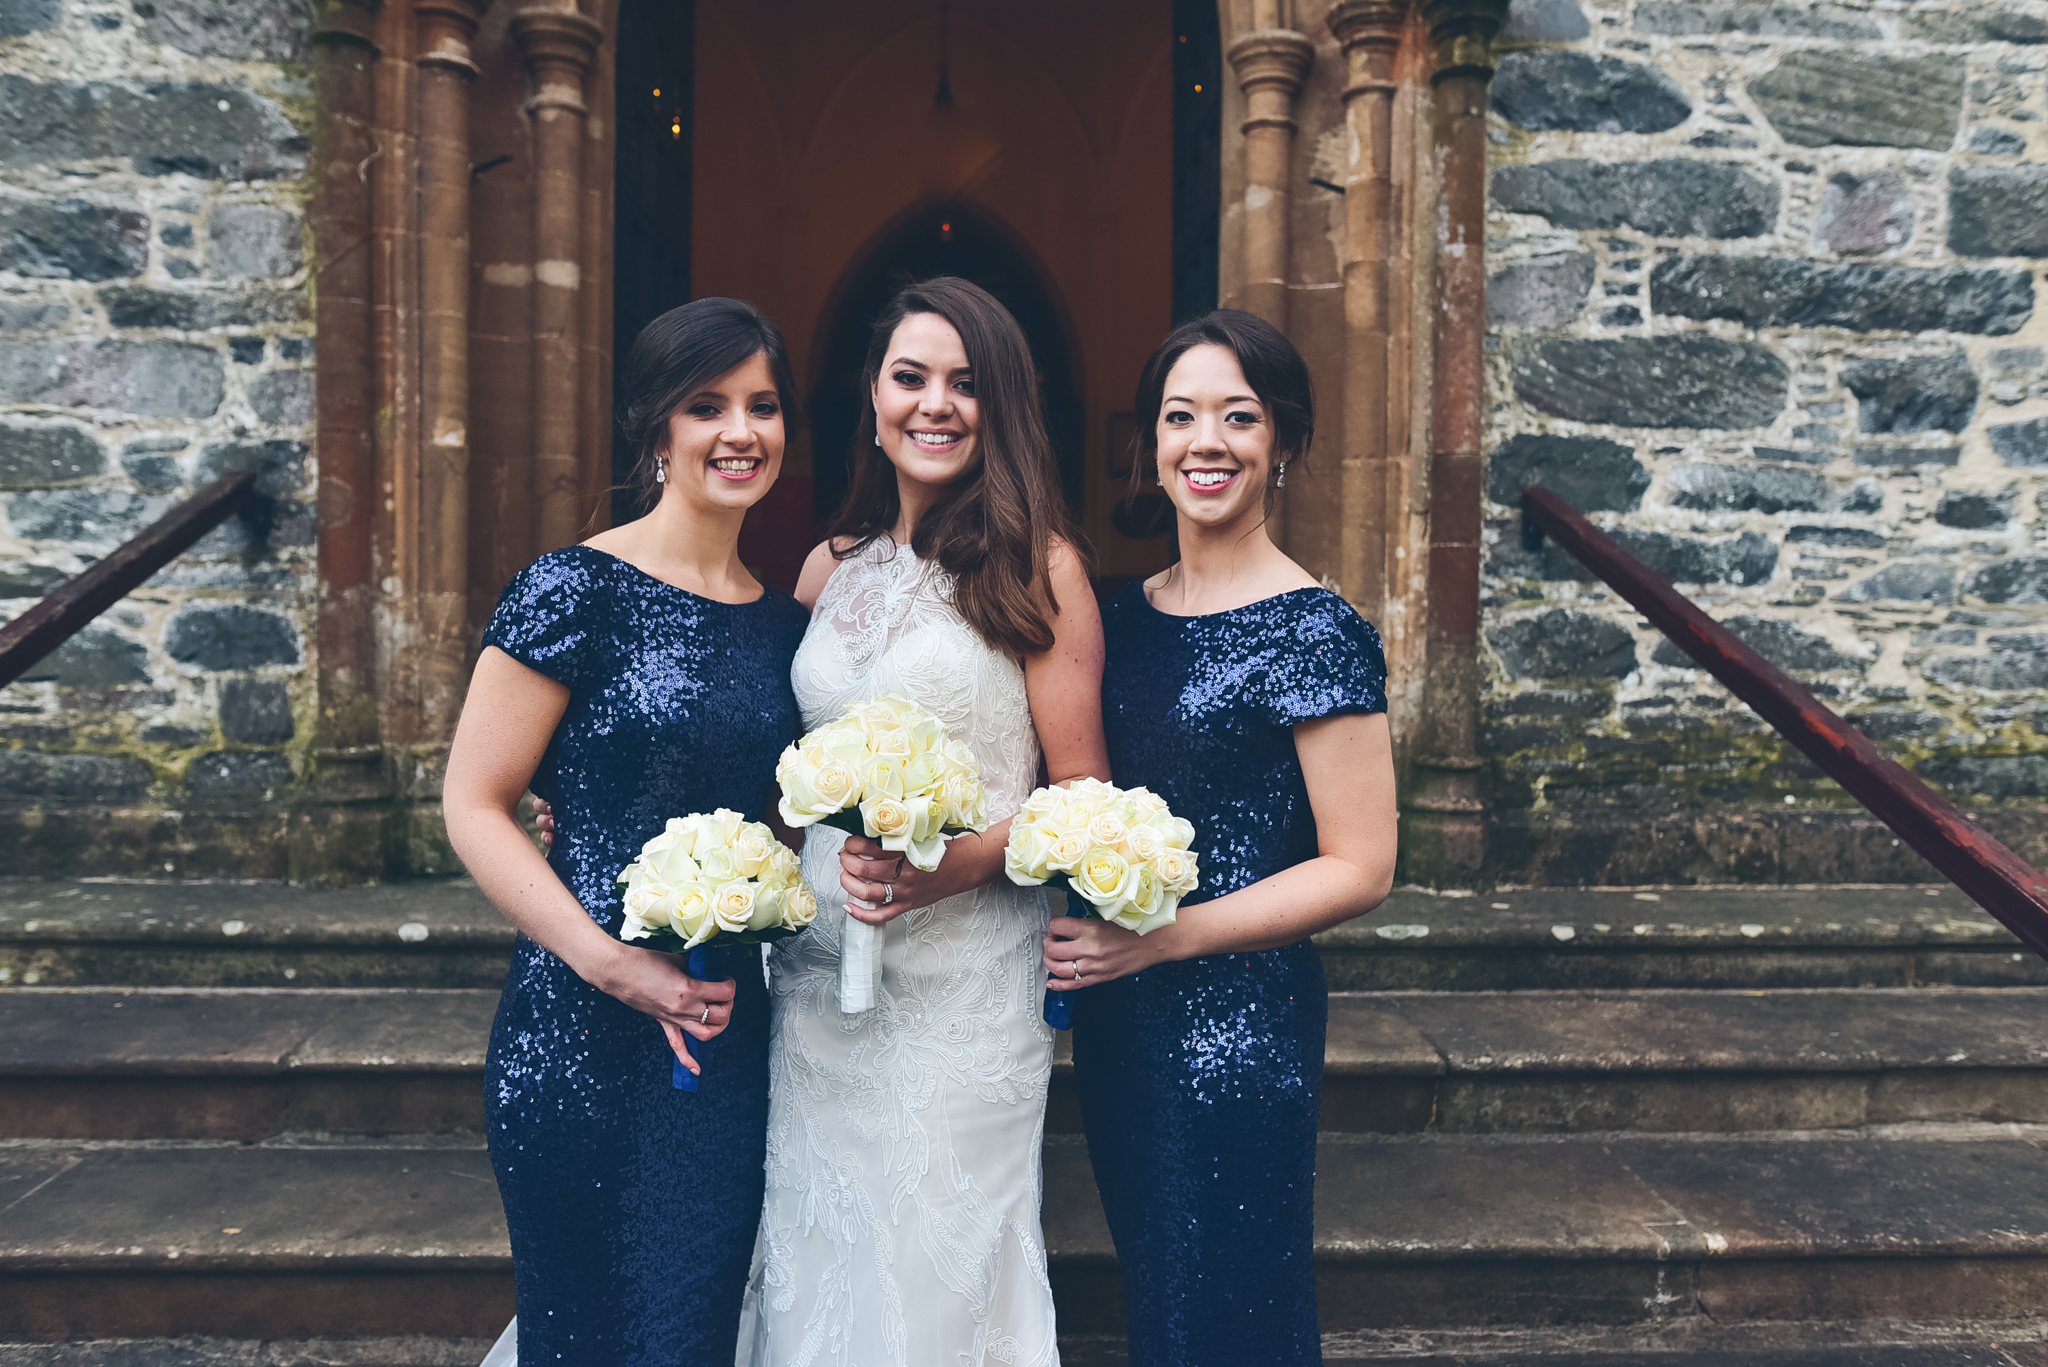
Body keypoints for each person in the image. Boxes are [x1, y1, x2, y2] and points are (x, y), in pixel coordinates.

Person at [737, 276, 1109, 1366]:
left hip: (965, 988)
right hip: (812, 975)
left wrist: (957, 866)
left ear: (1001, 406)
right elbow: (779, 769)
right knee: (813, 1243)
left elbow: (1081, 790)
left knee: (936, 1258)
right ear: (872, 395)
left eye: (964, 383)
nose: (934, 404)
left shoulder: (1040, 565)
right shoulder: (827, 566)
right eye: (910, 377)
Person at [443, 298, 811, 1366]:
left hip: (718, 1033)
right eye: (707, 406)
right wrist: (612, 965)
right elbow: (475, 801)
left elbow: (781, 821)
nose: (740, 431)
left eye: (762, 405)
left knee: (686, 1330)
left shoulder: (786, 627)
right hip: (576, 1028)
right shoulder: (572, 589)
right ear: (655, 426)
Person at [1046, 310, 1398, 1367]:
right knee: (1163, 1290)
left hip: (1238, 1026)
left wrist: (1164, 937)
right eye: (1180, 415)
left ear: (1281, 441)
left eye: (1238, 417)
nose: (1207, 441)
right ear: (1148, 443)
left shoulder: (1312, 629)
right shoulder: (1114, 613)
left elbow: (1361, 862)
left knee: (1234, 1303)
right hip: (1124, 1020)